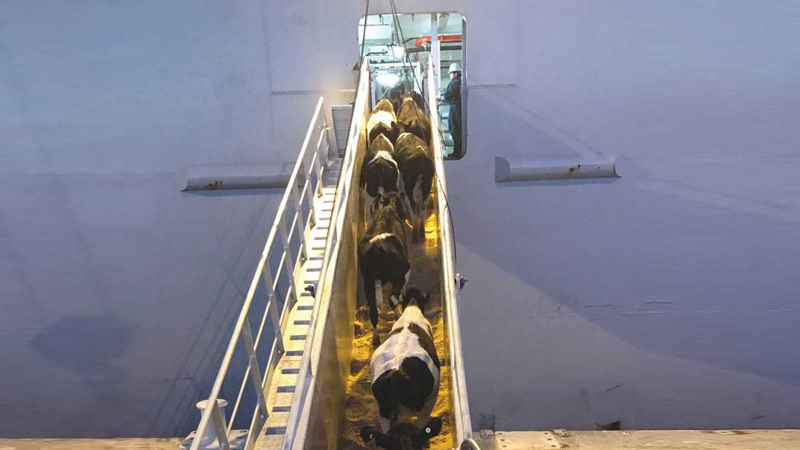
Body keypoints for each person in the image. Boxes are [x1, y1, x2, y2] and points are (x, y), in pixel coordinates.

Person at [442, 63, 462, 157]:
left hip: (455, 110)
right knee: (459, 131)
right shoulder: (461, 82)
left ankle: (457, 152)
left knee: (455, 130)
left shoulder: (454, 83)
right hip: (459, 109)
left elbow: (447, 96)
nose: (450, 76)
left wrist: (440, 98)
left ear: (455, 74)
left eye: (450, 73)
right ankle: (459, 151)